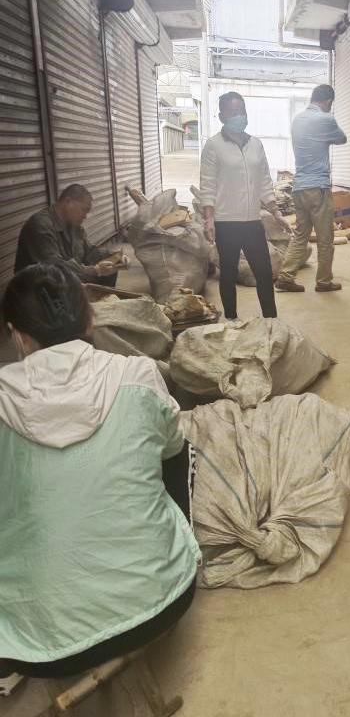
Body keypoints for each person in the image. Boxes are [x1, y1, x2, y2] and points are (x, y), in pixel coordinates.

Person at [0, 264, 199, 693]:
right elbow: (171, 452)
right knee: (178, 448)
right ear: (91, 320)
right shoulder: (138, 375)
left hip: (39, 647)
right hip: (162, 602)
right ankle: (167, 549)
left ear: (17, 335)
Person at [200, 91, 293, 321]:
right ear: (222, 116)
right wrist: (209, 219)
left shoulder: (256, 145)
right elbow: (208, 185)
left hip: (252, 222)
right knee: (228, 274)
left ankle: (271, 321)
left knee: (264, 273)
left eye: (242, 111)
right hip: (226, 223)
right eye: (233, 112)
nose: (239, 116)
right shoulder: (213, 146)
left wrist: (276, 213)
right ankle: (231, 320)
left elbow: (264, 182)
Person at [275, 84, 347, 293]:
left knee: (301, 235)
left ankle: (286, 276)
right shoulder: (326, 119)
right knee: (325, 238)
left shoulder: (297, 120)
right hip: (318, 189)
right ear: (328, 101)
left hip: (299, 188)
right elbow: (342, 138)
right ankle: (323, 281)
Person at [14, 184, 123, 286]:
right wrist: (95, 270)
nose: (85, 216)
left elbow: (89, 252)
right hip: (38, 289)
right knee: (95, 274)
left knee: (109, 271)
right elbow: (54, 267)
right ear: (68, 202)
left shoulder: (74, 225)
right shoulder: (40, 225)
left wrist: (116, 256)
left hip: (62, 281)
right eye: (83, 210)